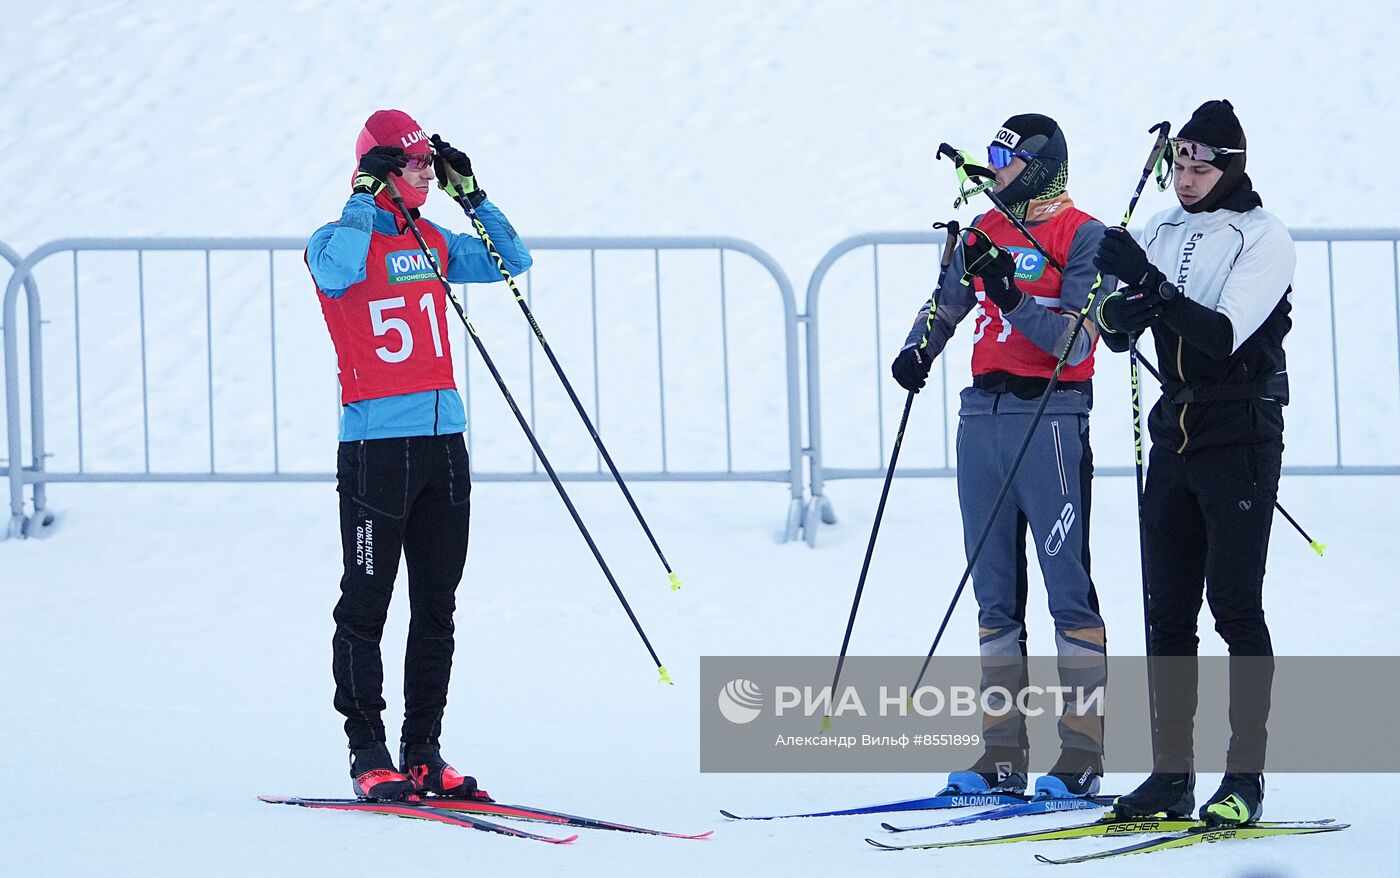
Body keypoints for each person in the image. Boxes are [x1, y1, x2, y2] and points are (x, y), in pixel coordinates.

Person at [305, 109, 532, 801]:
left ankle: (424, 750)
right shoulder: (334, 240)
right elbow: (339, 274)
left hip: (443, 445)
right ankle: (368, 751)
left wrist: (474, 197)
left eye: (430, 167)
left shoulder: (432, 238)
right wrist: (361, 198)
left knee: (437, 606)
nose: (427, 176)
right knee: (366, 605)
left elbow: (511, 261)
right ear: (381, 170)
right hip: (376, 447)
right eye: (417, 167)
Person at [891, 114, 1114, 798]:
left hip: (1049, 418)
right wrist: (917, 347)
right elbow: (947, 302)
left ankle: (1081, 752)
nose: (993, 168)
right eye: (990, 155)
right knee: (994, 595)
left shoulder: (1083, 235)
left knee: (1066, 589)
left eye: (1004, 157)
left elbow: (1075, 343)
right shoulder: (984, 230)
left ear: (1041, 164)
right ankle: (1001, 751)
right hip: (981, 417)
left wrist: (1014, 295)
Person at [1093, 99, 1294, 826]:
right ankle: (1170, 774)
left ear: (1230, 166)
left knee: (1234, 606)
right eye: (1178, 162)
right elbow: (1116, 331)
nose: (1184, 176)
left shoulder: (1262, 235)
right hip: (1174, 431)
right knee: (1166, 613)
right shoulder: (1163, 227)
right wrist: (1120, 295)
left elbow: (1218, 337)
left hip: (1238, 431)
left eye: (1199, 165)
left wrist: (1148, 286)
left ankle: (1245, 778)